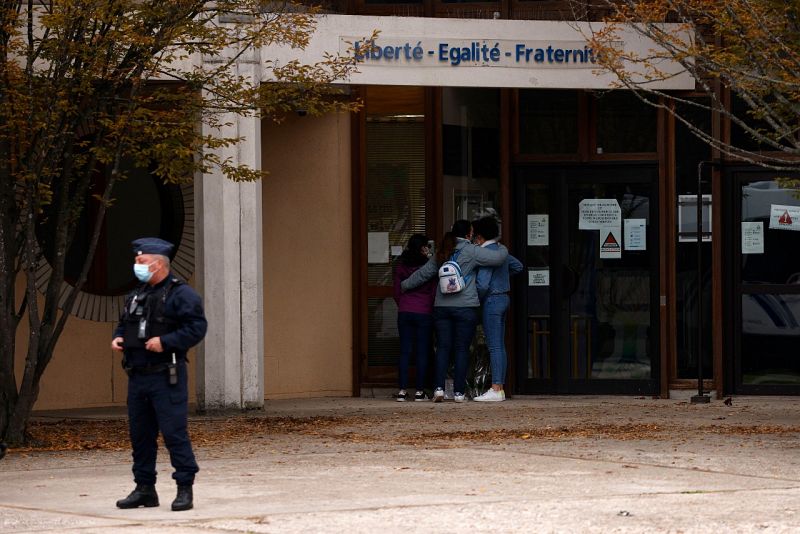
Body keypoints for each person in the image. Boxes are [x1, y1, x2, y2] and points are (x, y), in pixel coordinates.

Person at [111, 237, 207, 512]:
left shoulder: (181, 294)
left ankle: (184, 488)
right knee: (140, 435)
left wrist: (166, 342)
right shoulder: (137, 293)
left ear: (158, 263)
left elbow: (197, 328)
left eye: (141, 262)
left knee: (174, 433)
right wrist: (118, 338)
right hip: (138, 376)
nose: (136, 266)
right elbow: (123, 324)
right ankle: (144, 489)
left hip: (167, 375)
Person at [402, 220, 508, 403]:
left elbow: (423, 274)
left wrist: (405, 285)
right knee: (461, 349)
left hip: (442, 308)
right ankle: (459, 393)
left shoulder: (442, 250)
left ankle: (438, 389)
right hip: (465, 307)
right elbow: (498, 258)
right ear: (468, 234)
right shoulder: (472, 251)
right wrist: (503, 248)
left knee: (442, 348)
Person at [471, 216, 523, 402]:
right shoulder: (502, 251)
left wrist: (474, 297)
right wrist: (503, 278)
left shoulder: (486, 254)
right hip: (504, 298)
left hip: (491, 300)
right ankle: (499, 387)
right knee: (499, 345)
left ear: (480, 236)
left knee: (493, 345)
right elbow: (518, 266)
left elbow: (483, 284)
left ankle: (495, 388)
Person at [393, 234, 436, 402]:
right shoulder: (428, 266)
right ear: (423, 248)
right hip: (424, 311)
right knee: (422, 351)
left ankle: (402, 390)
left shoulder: (402, 265)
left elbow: (396, 291)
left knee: (404, 351)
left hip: (404, 311)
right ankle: (419, 391)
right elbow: (433, 291)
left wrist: (403, 304)